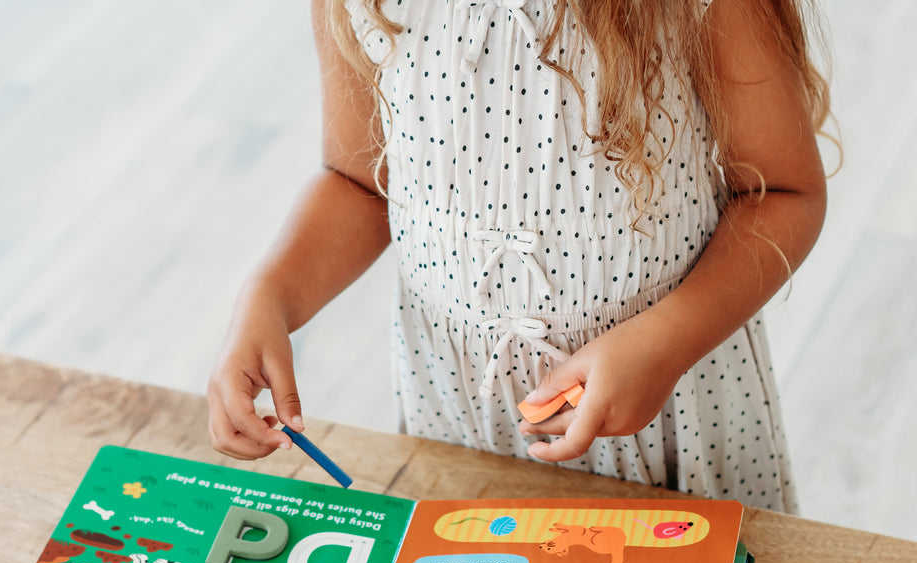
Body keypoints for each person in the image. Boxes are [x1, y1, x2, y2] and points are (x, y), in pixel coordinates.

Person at [208, 0, 830, 512]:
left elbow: (784, 193)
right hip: (454, 405)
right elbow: (359, 182)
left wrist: (664, 343)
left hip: (670, 404)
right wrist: (269, 297)